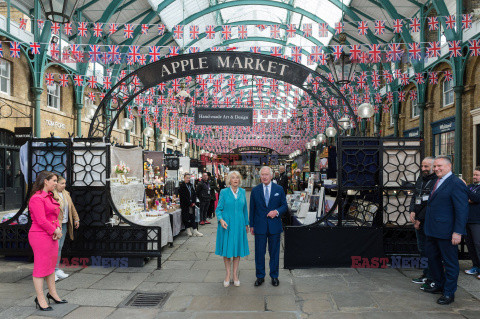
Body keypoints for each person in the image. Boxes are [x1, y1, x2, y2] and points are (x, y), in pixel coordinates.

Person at [423, 156, 469, 305]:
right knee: (433, 260)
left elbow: (462, 209)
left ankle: (449, 293)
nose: (436, 169)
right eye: (435, 166)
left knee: (450, 263)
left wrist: (458, 231)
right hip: (432, 230)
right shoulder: (437, 180)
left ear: (449, 166)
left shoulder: (456, 183)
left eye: (439, 166)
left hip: (447, 232)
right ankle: (439, 285)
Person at [28, 171, 67, 311]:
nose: (56, 183)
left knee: (51, 266)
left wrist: (57, 227)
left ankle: (53, 294)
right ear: (45, 181)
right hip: (40, 235)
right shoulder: (37, 198)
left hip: (51, 235)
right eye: (54, 181)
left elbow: (54, 216)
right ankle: (40, 299)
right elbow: (41, 220)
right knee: (40, 268)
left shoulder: (50, 196)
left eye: (57, 181)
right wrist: (54, 230)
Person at [250, 166, 288, 287]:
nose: (264, 177)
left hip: (274, 227)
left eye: (267, 174)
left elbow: (284, 206)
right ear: (260, 176)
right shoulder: (255, 190)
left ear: (271, 176)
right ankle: (260, 276)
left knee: (274, 253)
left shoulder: (279, 189)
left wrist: (276, 212)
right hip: (260, 226)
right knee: (259, 253)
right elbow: (252, 209)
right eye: (262, 175)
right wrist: (251, 225)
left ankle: (274, 276)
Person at [215, 171, 250, 287]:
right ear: (229, 180)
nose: (235, 180)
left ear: (239, 180)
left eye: (237, 178)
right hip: (227, 225)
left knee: (237, 250)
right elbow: (218, 209)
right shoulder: (224, 192)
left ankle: (235, 275)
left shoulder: (243, 192)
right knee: (227, 251)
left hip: (239, 225)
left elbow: (245, 209)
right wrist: (221, 220)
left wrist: (246, 224)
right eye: (233, 178)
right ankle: (227, 274)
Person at [408, 157, 436, 286]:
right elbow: (415, 195)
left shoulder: (436, 181)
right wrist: (412, 211)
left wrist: (419, 219)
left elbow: (430, 203)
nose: (423, 169)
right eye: (422, 166)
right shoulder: (421, 178)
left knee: (429, 249)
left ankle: (431, 276)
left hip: (428, 220)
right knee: (422, 248)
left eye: (426, 167)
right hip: (418, 218)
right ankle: (426, 274)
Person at [52, 176, 80, 282]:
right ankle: (51, 271)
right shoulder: (52, 195)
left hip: (64, 224)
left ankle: (57, 269)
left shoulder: (66, 193)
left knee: (59, 247)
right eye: (61, 183)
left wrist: (76, 219)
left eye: (65, 183)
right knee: (54, 247)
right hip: (56, 225)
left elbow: (71, 207)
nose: (64, 185)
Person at [464, 167, 480, 279]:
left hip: (477, 221)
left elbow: (476, 198)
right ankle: (475, 266)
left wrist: (467, 192)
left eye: (477, 175)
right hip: (467, 220)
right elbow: (465, 198)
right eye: (474, 175)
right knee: (470, 245)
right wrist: (470, 198)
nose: (474, 177)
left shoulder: (468, 188)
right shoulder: (470, 186)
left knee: (478, 245)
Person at [178, 173, 203, 237]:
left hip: (192, 205)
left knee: (192, 217)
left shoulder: (191, 185)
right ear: (184, 178)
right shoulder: (182, 186)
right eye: (187, 178)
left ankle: (195, 230)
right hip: (185, 205)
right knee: (186, 217)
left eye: (189, 178)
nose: (188, 179)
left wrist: (194, 202)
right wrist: (189, 203)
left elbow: (194, 194)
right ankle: (188, 230)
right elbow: (183, 197)